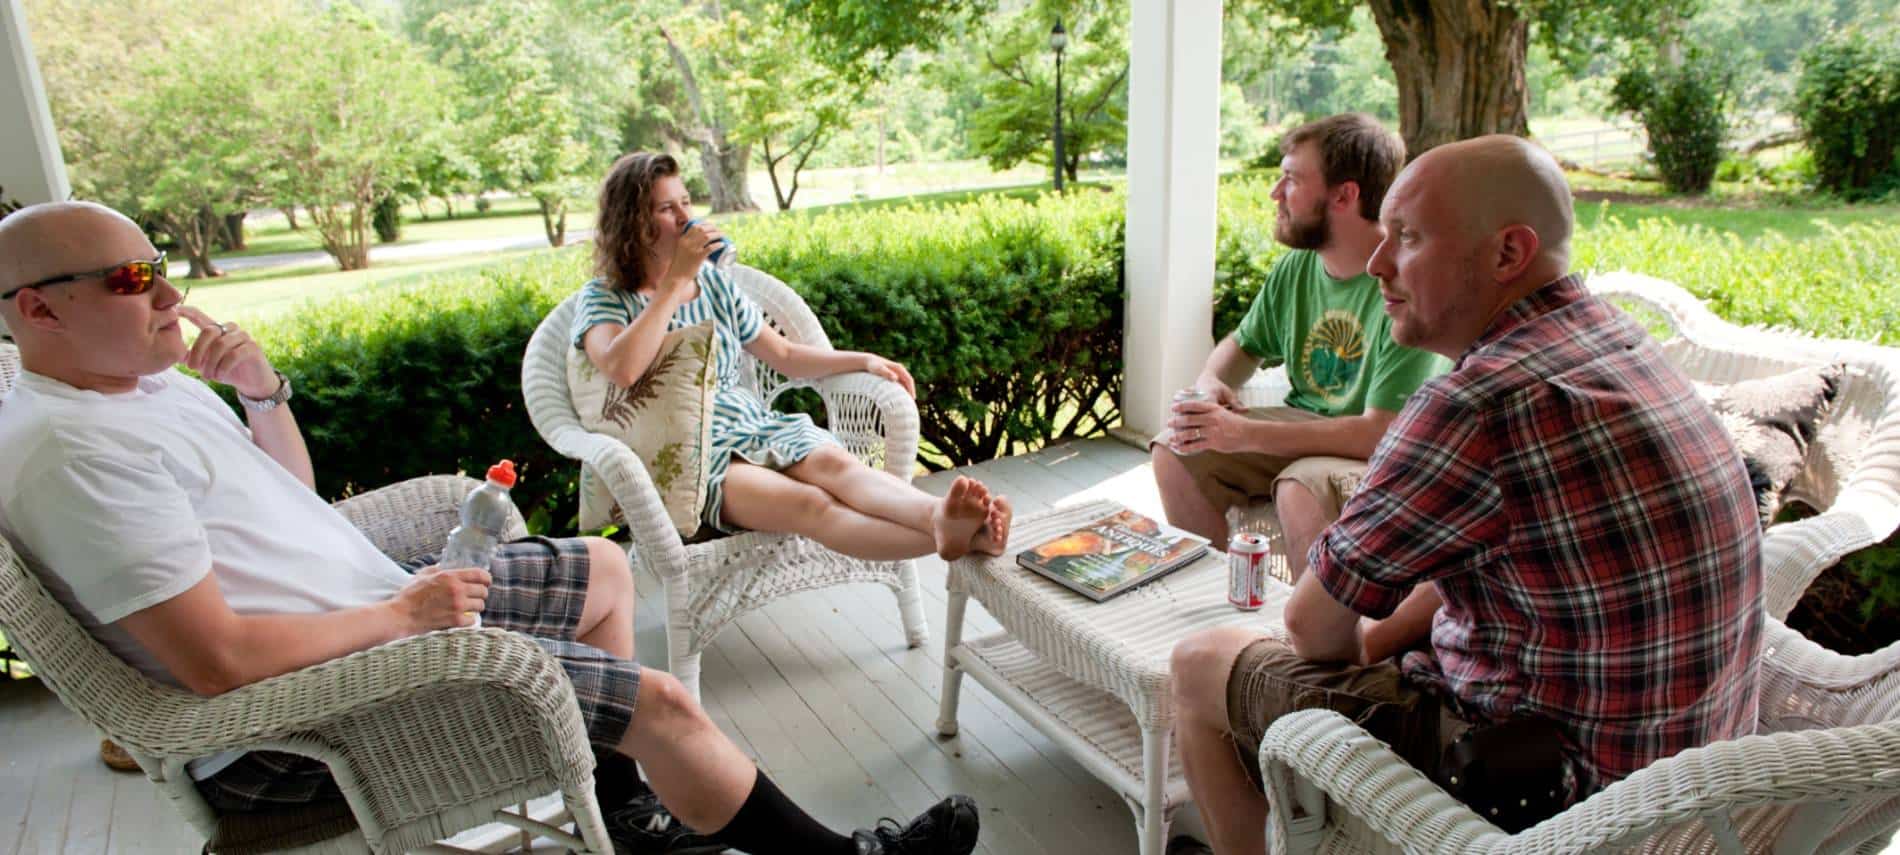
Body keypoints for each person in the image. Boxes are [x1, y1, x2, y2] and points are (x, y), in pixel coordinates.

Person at [0, 201, 981, 855]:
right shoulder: (76, 456)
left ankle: (629, 817)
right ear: (38, 309)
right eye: (134, 280)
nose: (171, 293)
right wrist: (408, 616)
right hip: (303, 716)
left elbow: (288, 495)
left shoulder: (138, 387)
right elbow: (216, 663)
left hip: (367, 616)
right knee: (662, 703)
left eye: (160, 265)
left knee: (603, 570)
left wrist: (263, 395)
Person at [1168, 136, 1763, 854]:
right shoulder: (1619, 340)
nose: (1380, 262)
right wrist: (1380, 643)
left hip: (1554, 798)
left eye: (1409, 238)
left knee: (1200, 663)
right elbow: (1490, 567)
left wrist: (1357, 647)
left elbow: (1313, 630)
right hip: (1703, 789)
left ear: (1509, 253)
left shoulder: (1474, 404)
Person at [576, 152, 1011, 565]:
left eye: (686, 202)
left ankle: (943, 520)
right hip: (687, 452)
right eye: (666, 208)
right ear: (633, 225)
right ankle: (970, 535)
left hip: (752, 427)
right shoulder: (604, 299)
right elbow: (622, 367)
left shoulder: (714, 284)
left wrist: (863, 359)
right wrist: (674, 283)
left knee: (839, 467)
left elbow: (782, 353)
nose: (687, 217)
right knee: (811, 504)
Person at [1153, 113, 1448, 583]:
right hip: (1308, 431)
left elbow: (1381, 433)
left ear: (1344, 195)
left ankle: (1309, 641)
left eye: (1290, 179)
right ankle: (1216, 607)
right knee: (1175, 449)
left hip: (1381, 455)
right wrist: (1211, 385)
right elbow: (1242, 346)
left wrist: (1243, 434)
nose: (1275, 193)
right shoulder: (1297, 270)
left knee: (1300, 486)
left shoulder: (1403, 284)